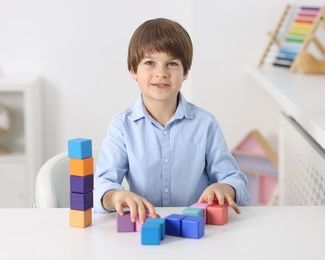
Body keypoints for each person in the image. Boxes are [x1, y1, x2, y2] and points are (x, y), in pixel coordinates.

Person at [93, 18, 249, 224]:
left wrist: (224, 188)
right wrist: (116, 196)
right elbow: (103, 184)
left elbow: (234, 179)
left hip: (201, 233)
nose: (161, 73)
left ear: (185, 72)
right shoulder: (122, 126)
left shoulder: (205, 124)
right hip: (144, 231)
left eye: (172, 64)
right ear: (133, 70)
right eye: (150, 63)